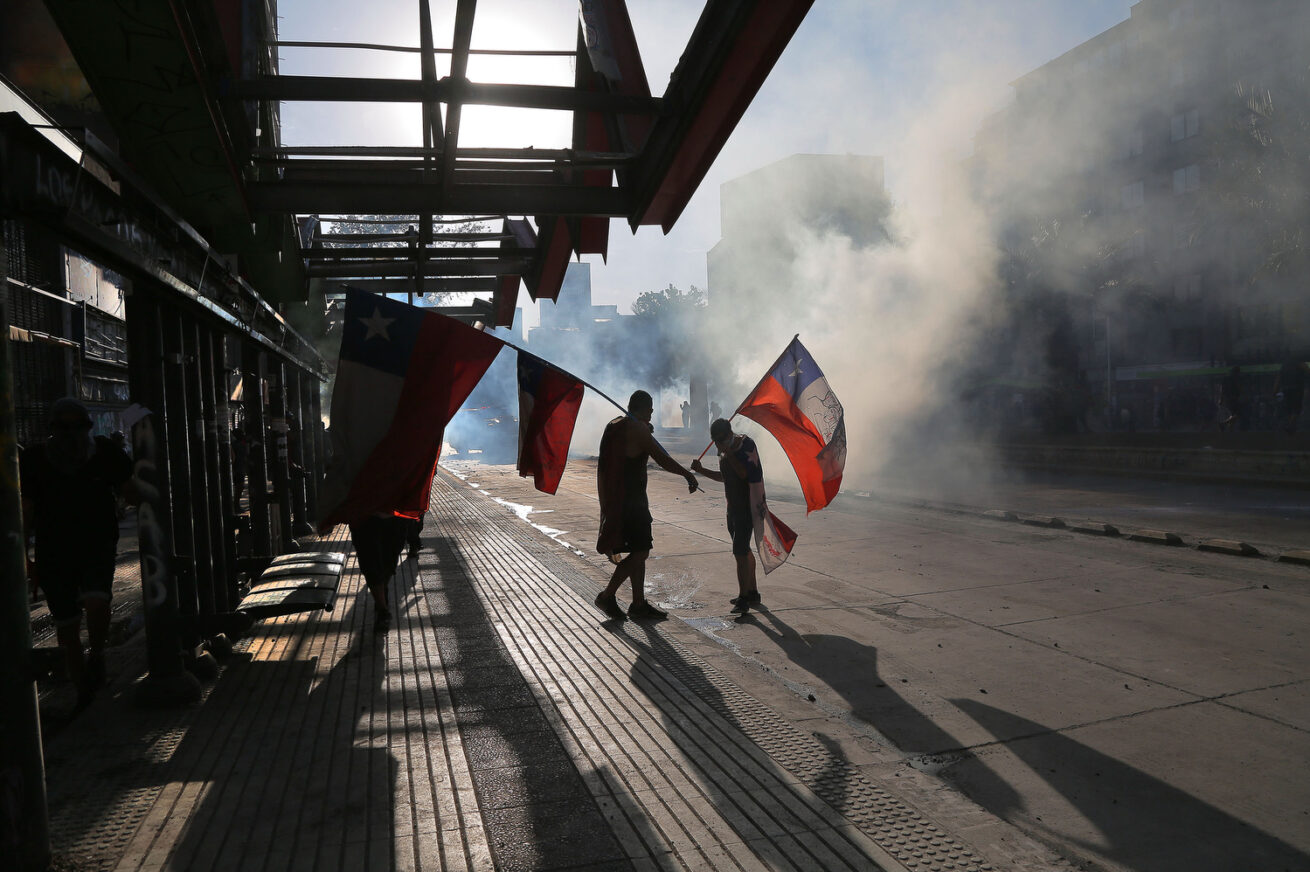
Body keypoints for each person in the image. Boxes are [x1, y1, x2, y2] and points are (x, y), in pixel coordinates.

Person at [21, 398, 133, 707]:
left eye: (77, 426)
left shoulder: (106, 453)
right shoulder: (35, 460)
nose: (71, 434)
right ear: (52, 430)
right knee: (66, 623)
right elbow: (26, 510)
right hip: (54, 550)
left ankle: (96, 655)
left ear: (88, 427)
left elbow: (130, 489)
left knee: (97, 601)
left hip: (96, 543)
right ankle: (81, 683)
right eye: (63, 427)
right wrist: (26, 558)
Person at [595, 390, 698, 620]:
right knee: (641, 551)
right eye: (650, 408)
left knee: (638, 549)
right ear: (641, 408)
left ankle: (639, 604)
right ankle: (607, 595)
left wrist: (644, 432)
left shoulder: (617, 424)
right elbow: (662, 459)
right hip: (631, 502)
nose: (652, 412)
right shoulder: (637, 428)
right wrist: (687, 474)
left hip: (624, 498)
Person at [691, 418, 762, 611]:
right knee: (744, 550)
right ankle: (753, 591)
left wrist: (729, 454)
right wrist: (701, 470)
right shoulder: (722, 451)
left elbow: (743, 474)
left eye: (720, 441)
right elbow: (725, 477)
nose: (718, 445)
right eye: (715, 442)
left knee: (739, 552)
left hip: (747, 507)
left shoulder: (744, 445)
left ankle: (743, 597)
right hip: (732, 508)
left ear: (729, 435)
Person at [348, 513, 411, 632]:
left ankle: (381, 593)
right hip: (376, 515)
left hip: (369, 515)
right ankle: (382, 608)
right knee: (372, 562)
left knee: (379, 561)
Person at [1274, 356, 1307, 434]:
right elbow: (1307, 370)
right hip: (1296, 389)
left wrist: (1275, 390)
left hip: (1286, 389)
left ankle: (1291, 426)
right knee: (1296, 409)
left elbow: (1278, 378)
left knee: (1290, 409)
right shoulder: (1299, 363)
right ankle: (1290, 425)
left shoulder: (1284, 366)